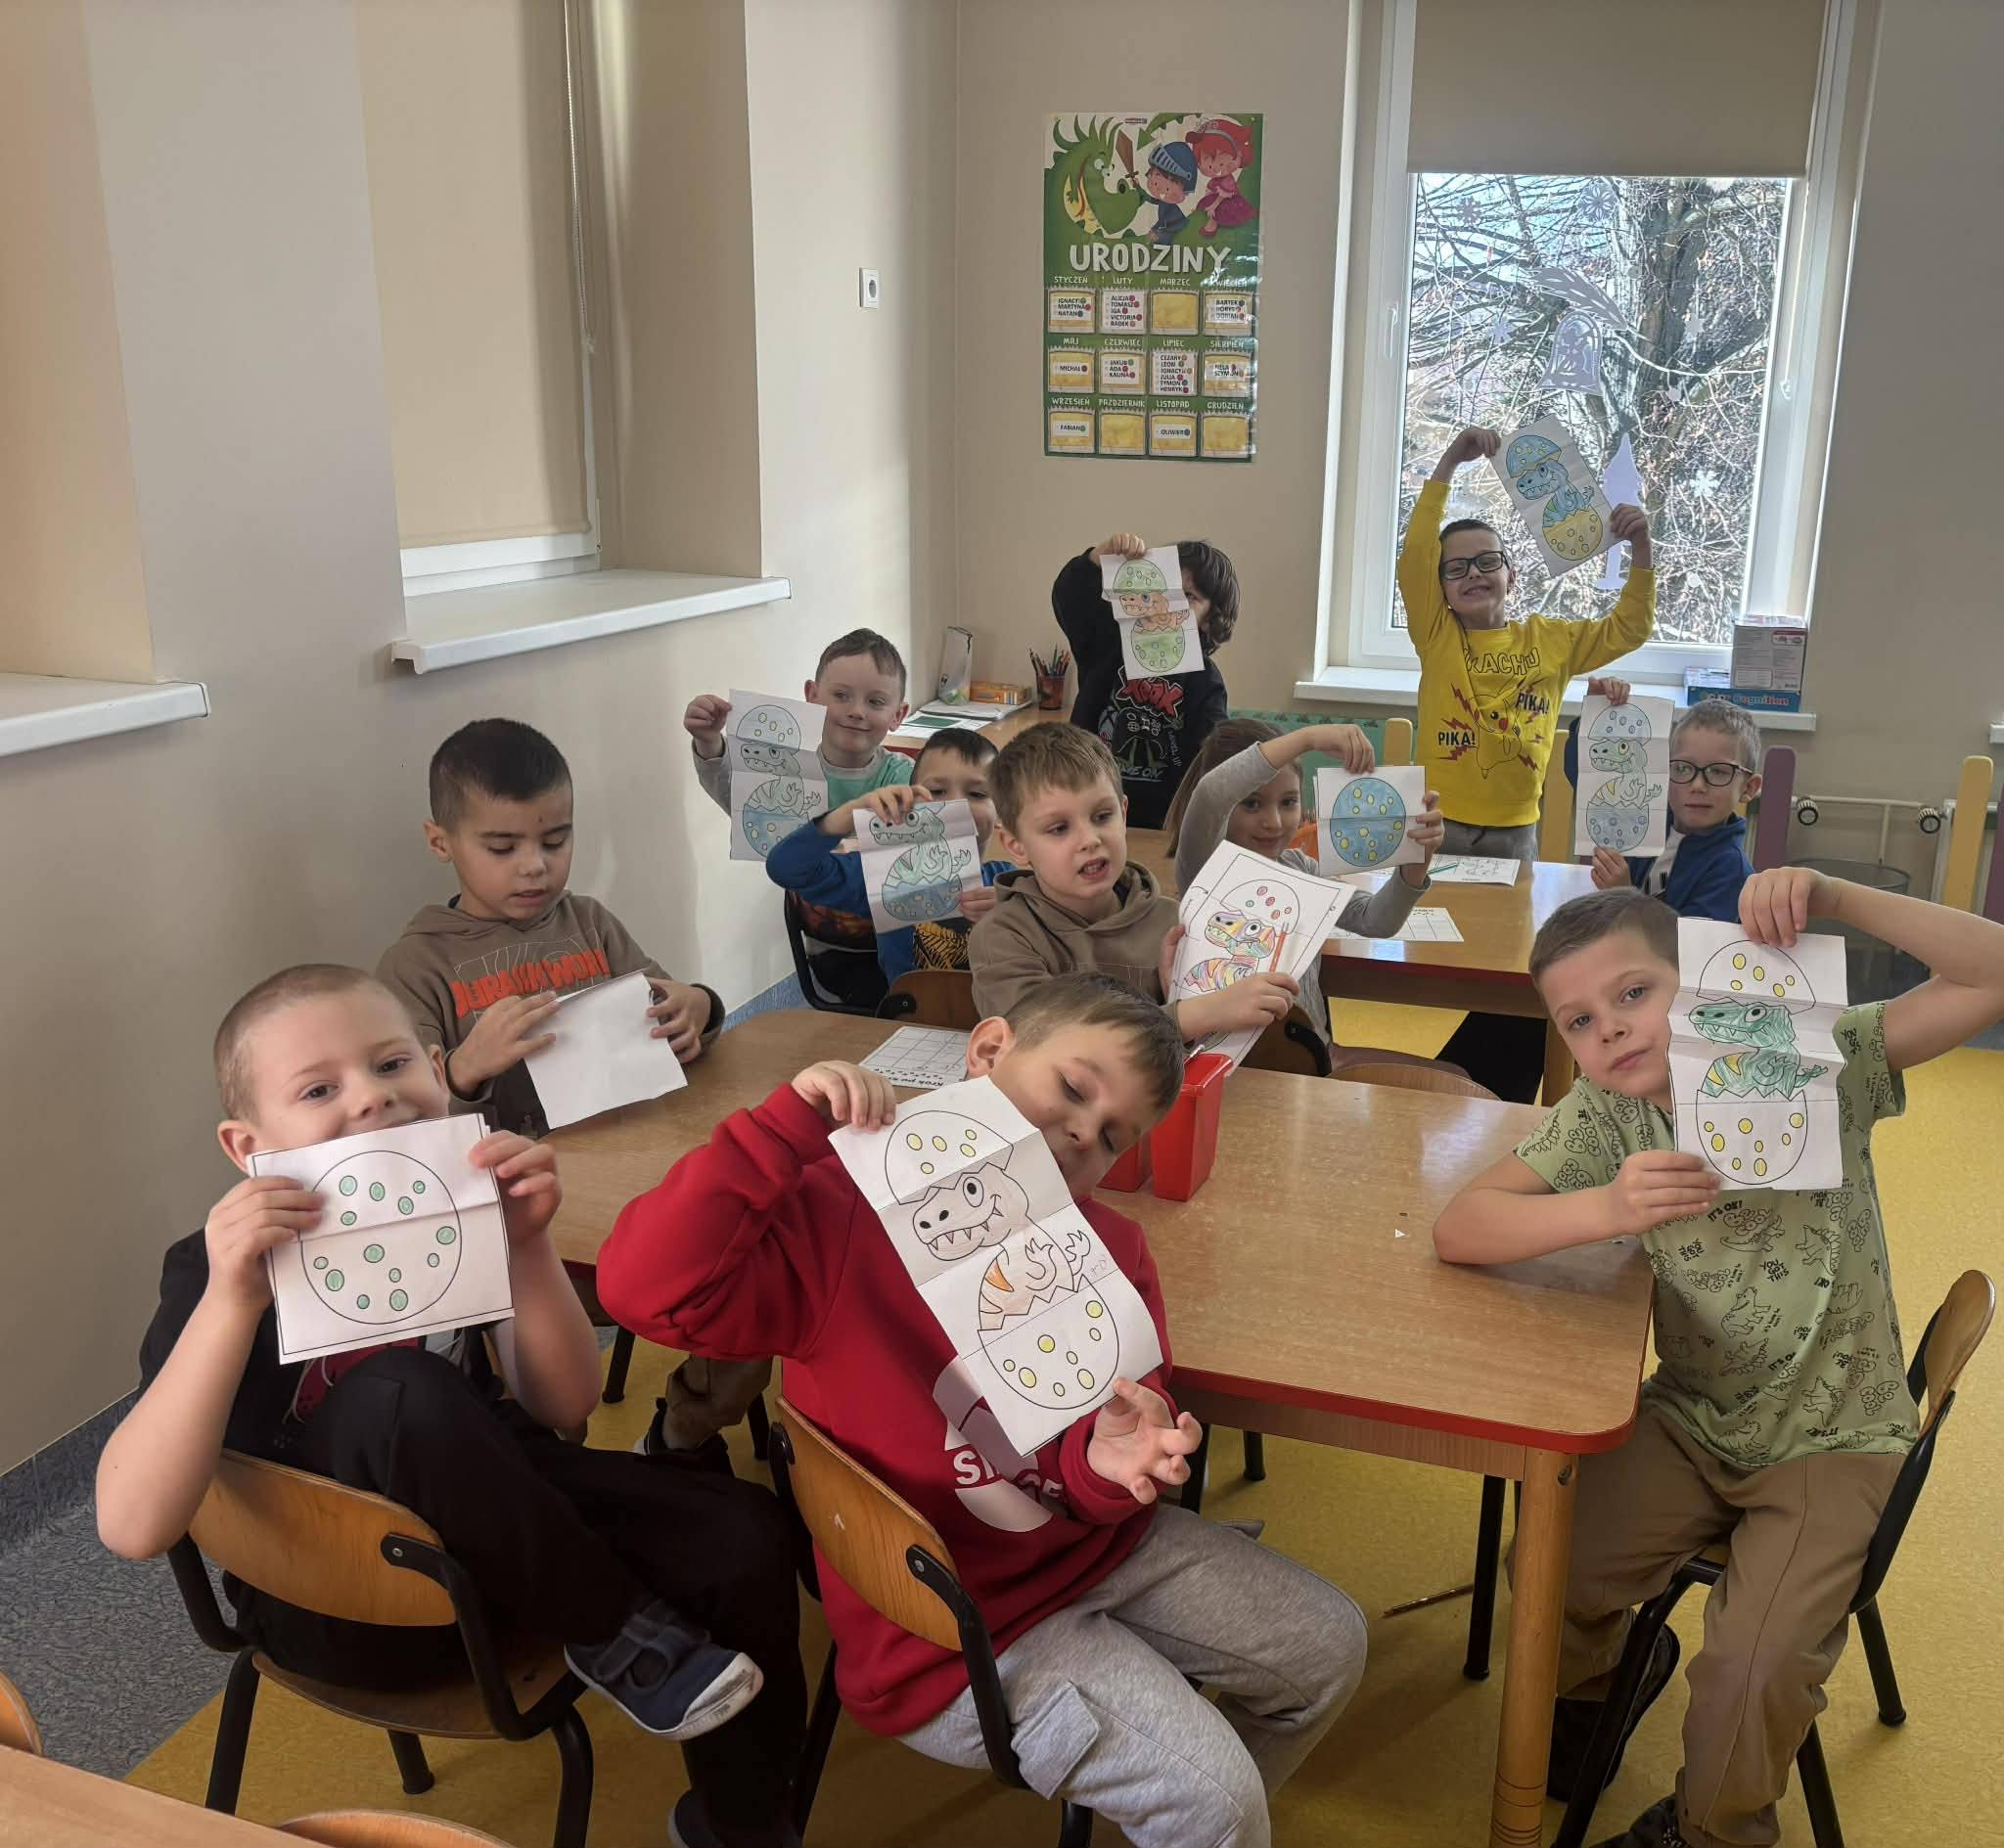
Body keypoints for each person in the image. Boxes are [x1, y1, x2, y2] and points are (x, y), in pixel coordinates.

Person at [596, 972, 1368, 1848]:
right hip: (945, 1633)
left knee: (1331, 1647)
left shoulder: (1110, 1252)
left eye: (1112, 1136)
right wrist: (781, 1132)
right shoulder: (839, 1212)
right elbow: (641, 1290)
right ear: (990, 1048)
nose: (1081, 1132)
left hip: (1094, 1548)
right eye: (1072, 1088)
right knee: (1217, 1802)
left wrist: (1108, 1464)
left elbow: (1106, 1458)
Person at [95, 966, 805, 1848]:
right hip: (348, 1602)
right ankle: (614, 1627)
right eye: (318, 1089)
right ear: (248, 1145)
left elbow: (565, 1405)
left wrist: (527, 1245)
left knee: (743, 1528)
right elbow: (131, 1523)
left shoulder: (464, 1212)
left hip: (513, 1533)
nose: (372, 1098)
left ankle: (738, 1824)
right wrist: (232, 1300)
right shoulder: (215, 1272)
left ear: (439, 1073)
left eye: (393, 1065)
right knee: (402, 1393)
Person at [1434, 873, 2004, 1848]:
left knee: (1751, 1670)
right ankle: (1611, 1681)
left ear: (1700, 978)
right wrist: (1604, 1206)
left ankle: (1709, 1831)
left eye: (1632, 992)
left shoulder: (1809, 1058)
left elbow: (1991, 972)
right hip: (1695, 1415)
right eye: (1577, 1020)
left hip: (1836, 1435)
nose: (1609, 1029)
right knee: (1549, 1564)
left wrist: (1833, 895)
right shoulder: (1605, 1115)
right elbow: (1460, 1225)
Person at [375, 718, 757, 1460]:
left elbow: (673, 1015)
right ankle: (561, 1460)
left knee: (751, 1270)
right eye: (503, 847)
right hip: (526, 1238)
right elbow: (401, 1136)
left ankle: (678, 1435)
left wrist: (700, 1006)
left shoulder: (588, 923)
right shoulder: (416, 965)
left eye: (555, 841)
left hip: (640, 1189)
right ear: (441, 842)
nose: (535, 868)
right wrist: (465, 1069)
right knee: (554, 1396)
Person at [1400, 426, 1656, 862]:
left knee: (1513, 911)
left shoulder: (1552, 640)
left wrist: (1642, 549)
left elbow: (1629, 628)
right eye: (1456, 568)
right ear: (1439, 587)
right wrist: (1451, 460)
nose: (1473, 573)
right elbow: (1416, 556)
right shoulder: (1436, 634)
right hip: (1438, 821)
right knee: (1432, 910)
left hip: (1516, 829)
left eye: (1487, 562)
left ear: (1511, 577)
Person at [967, 723, 1298, 1048]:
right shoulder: (1003, 936)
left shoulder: (1175, 921)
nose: (1090, 840)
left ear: (1123, 814)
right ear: (1016, 846)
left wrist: (1182, 996)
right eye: (1059, 828)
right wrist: (1190, 1014)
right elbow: (1045, 1044)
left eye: (1102, 816)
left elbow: (1213, 1044)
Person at [1163, 717, 1457, 1069]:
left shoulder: (1301, 868)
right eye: (1252, 804)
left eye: (1288, 802)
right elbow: (1211, 794)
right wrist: (1307, 739)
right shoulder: (1207, 868)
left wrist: (1415, 864)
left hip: (1313, 1058)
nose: (1274, 822)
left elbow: (1376, 920)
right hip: (1232, 1068)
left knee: (1459, 1077)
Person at [686, 629, 915, 1010]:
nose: (857, 711)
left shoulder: (904, 776)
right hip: (836, 949)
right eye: (841, 696)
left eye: (875, 701)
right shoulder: (788, 771)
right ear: (812, 695)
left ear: (898, 715)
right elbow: (741, 802)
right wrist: (710, 741)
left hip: (909, 942)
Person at [763, 727, 1013, 983]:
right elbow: (786, 868)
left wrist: (1020, 912)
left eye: (977, 794)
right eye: (937, 792)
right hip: (915, 1007)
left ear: (1003, 812)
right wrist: (850, 814)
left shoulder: (1011, 883)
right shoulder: (887, 879)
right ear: (911, 803)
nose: (954, 805)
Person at [1054, 529, 1238, 832]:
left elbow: (1211, 754)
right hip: (1085, 809)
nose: (1167, 605)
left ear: (1208, 620)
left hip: (1160, 822)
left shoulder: (1204, 679)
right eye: (1161, 590)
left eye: (1188, 597)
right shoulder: (1107, 646)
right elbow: (1070, 598)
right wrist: (1098, 557)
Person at [1568, 686, 1760, 922]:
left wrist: (1625, 897)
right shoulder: (1646, 816)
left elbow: (1683, 941)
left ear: (1748, 788)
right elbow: (1587, 775)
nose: (1698, 785)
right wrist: (1596, 711)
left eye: (1719, 771)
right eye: (1682, 768)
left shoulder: (1731, 871)